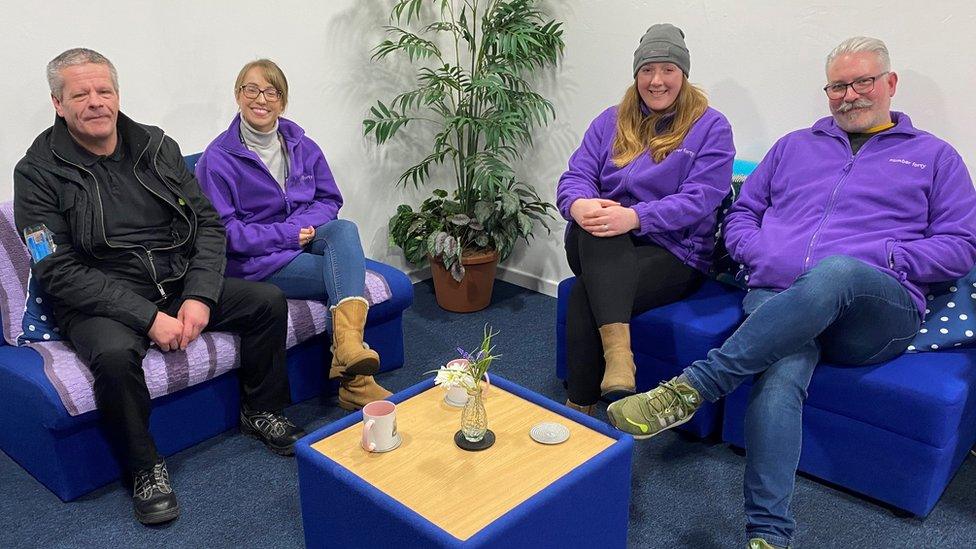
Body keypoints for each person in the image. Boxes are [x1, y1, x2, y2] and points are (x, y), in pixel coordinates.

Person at [608, 36, 976, 549]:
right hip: (780, 293)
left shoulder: (935, 157)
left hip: (873, 309)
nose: (850, 95)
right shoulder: (793, 147)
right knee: (780, 375)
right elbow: (740, 215)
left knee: (838, 272)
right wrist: (758, 254)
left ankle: (693, 387)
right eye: (838, 86)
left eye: (862, 82)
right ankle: (769, 534)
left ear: (890, 84)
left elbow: (960, 247)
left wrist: (888, 258)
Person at [13, 48, 306, 526]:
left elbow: (208, 224)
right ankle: (144, 467)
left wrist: (199, 295)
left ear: (117, 94)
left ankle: (262, 410)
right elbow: (56, 269)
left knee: (266, 302)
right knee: (111, 356)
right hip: (99, 300)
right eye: (80, 94)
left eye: (103, 90)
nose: (95, 102)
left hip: (173, 280)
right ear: (58, 104)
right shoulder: (37, 173)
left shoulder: (154, 146)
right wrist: (149, 319)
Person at [556, 24, 735, 414]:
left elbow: (702, 199)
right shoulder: (610, 119)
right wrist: (576, 204)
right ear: (636, 74)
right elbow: (577, 175)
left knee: (588, 290)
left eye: (667, 69)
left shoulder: (711, 127)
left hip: (674, 253)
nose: (656, 80)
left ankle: (579, 405)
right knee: (598, 223)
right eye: (647, 70)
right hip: (599, 240)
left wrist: (636, 217)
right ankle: (619, 355)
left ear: (683, 74)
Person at [195, 59, 390, 410]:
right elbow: (224, 233)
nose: (262, 99)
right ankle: (356, 381)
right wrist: (286, 234)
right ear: (238, 95)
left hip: (303, 238)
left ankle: (346, 350)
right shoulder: (217, 160)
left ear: (283, 102)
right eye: (251, 89)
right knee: (345, 274)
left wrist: (305, 226)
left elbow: (329, 199)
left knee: (344, 229)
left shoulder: (302, 143)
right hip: (257, 262)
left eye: (272, 91)